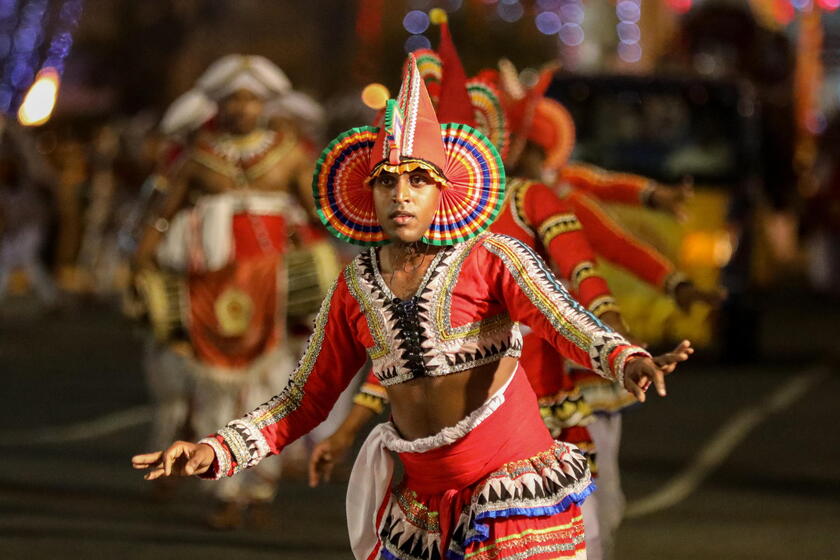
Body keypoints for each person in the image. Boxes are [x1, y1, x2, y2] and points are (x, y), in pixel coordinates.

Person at [133, 56, 691, 559]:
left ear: (443, 192)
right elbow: (305, 397)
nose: (401, 195)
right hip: (420, 508)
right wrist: (217, 449)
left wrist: (625, 358)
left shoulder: (494, 258)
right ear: (367, 196)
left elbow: (563, 319)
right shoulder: (355, 283)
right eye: (387, 183)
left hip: (509, 495)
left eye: (418, 182)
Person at [132, 54, 331, 528]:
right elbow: (162, 215)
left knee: (272, 386)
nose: (242, 108)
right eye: (233, 100)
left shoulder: (288, 155)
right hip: (211, 290)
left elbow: (322, 217)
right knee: (213, 393)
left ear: (264, 104)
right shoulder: (199, 158)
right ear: (219, 105)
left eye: (251, 99)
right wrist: (141, 267)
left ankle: (258, 488)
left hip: (274, 288)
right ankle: (223, 487)